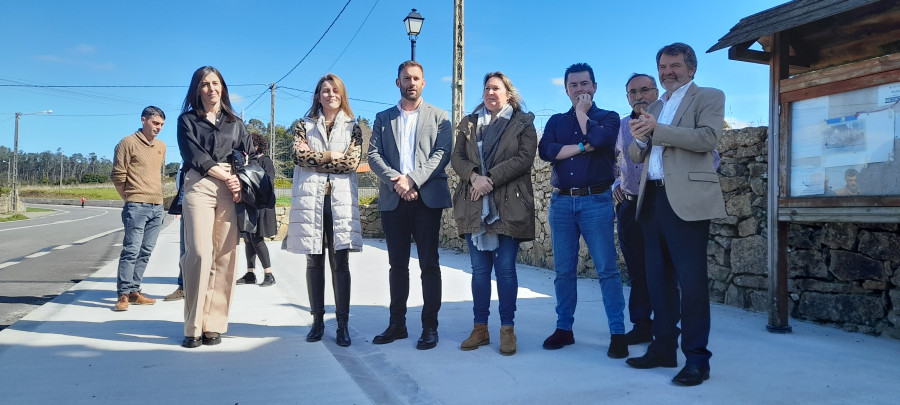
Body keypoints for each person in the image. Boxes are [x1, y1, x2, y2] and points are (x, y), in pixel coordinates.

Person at [625, 43, 727, 387]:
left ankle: (698, 359)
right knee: (658, 279)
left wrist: (656, 131)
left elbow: (708, 137)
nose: (668, 71)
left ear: (691, 68)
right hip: (652, 198)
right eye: (663, 66)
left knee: (692, 282)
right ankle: (663, 348)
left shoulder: (709, 96)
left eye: (675, 65)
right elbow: (637, 155)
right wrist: (639, 140)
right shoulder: (654, 105)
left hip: (686, 198)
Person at [537, 63, 628, 359]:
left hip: (596, 201)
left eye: (584, 84)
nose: (579, 90)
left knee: (607, 270)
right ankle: (564, 328)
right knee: (563, 272)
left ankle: (617, 332)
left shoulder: (609, 118)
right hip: (562, 202)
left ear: (595, 87)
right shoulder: (554, 122)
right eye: (573, 85)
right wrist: (582, 145)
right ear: (566, 89)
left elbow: (601, 140)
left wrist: (581, 115)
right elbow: (546, 151)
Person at [368, 61, 452, 350]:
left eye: (416, 78)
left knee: (429, 264)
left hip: (427, 199)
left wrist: (413, 181)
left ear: (424, 83)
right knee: (397, 266)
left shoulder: (440, 117)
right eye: (406, 78)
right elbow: (374, 156)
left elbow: (442, 154)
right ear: (398, 82)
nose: (411, 82)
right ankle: (397, 324)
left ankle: (430, 327)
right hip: (394, 200)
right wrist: (398, 182)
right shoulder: (382, 118)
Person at [451, 72, 537, 356]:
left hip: (508, 204)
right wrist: (475, 177)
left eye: (496, 88)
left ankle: (507, 329)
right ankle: (480, 328)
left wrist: (490, 178)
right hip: (475, 204)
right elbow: (457, 158)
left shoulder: (523, 123)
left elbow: (524, 158)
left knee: (505, 271)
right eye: (486, 87)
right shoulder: (469, 124)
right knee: (478, 272)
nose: (490, 92)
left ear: (508, 94)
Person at [176, 66, 254, 348]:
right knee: (198, 253)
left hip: (231, 190)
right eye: (204, 84)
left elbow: (250, 155)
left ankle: (214, 325)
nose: (210, 89)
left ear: (223, 87)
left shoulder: (235, 122)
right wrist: (226, 175)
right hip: (200, 184)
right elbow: (193, 154)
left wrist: (239, 181)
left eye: (215, 83)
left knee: (225, 256)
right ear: (197, 90)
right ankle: (192, 326)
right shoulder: (187, 120)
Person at [283, 73, 363, 347]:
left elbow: (351, 162)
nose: (330, 94)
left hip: (339, 202)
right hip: (310, 201)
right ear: (317, 96)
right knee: (313, 263)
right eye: (324, 90)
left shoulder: (354, 126)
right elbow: (298, 156)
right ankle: (317, 321)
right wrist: (329, 156)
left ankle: (342, 324)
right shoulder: (302, 125)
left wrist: (315, 159)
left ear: (342, 95)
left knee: (341, 264)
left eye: (335, 90)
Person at [613, 73, 659, 345]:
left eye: (645, 90)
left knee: (664, 268)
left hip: (663, 205)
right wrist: (613, 184)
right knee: (637, 269)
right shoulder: (620, 127)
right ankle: (642, 325)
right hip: (630, 207)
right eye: (633, 92)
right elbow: (608, 162)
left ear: (656, 91)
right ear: (627, 97)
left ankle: (666, 327)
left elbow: (710, 158)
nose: (639, 96)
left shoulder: (672, 120)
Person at [110, 106, 167, 311]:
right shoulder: (127, 143)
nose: (158, 128)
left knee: (146, 251)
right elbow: (118, 176)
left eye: (161, 124)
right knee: (131, 250)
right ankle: (123, 295)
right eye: (155, 123)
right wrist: (129, 198)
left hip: (157, 206)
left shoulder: (161, 146)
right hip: (136, 205)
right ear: (144, 120)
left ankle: (135, 291)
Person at [236, 132, 278, 287]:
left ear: (256, 146)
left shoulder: (265, 161)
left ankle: (269, 274)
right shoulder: (245, 162)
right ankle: (250, 273)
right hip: (249, 206)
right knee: (248, 239)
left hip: (262, 207)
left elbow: (268, 183)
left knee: (257, 239)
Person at [164, 166, 186, 301]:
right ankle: (183, 286)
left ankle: (185, 286)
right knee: (186, 250)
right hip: (187, 204)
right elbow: (179, 182)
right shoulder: (185, 159)